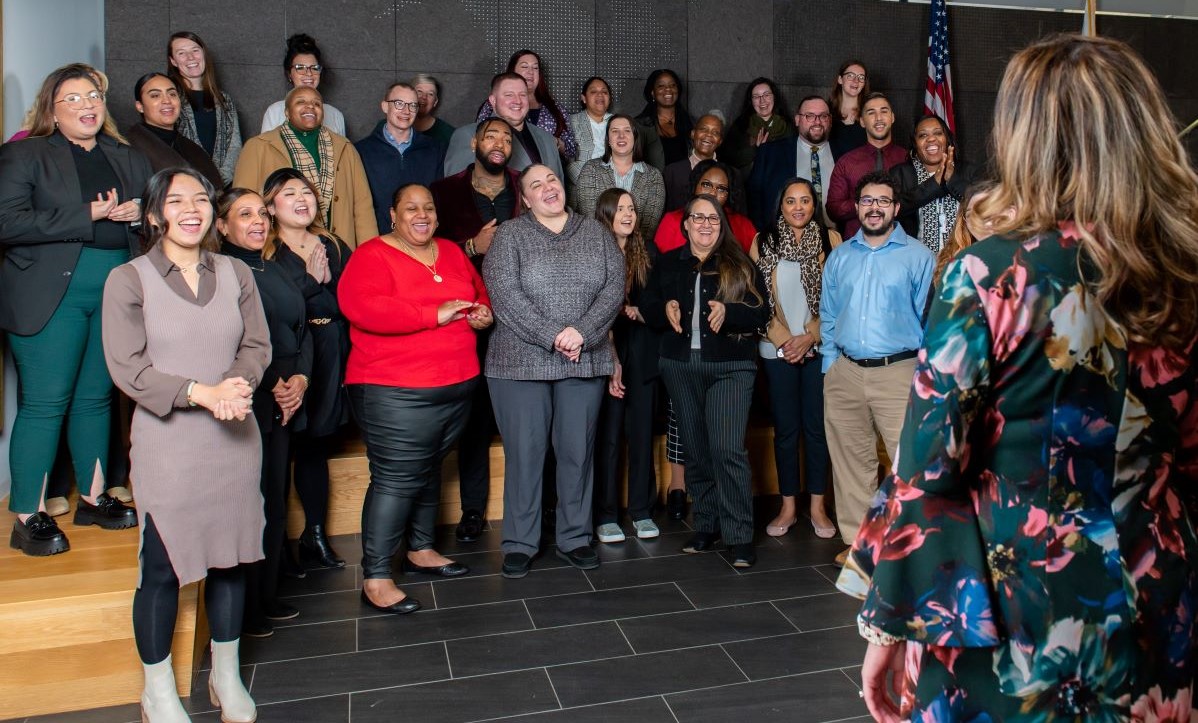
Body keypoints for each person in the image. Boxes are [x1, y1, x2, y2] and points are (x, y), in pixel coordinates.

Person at [839, 35, 1198, 722]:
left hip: (1014, 610)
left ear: (1027, 138)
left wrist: (887, 622)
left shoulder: (988, 275)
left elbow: (927, 470)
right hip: (1159, 593)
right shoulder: (1183, 270)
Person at [102, 167, 270, 723]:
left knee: (230, 560)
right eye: (176, 201)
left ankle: (225, 675)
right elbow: (129, 369)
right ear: (154, 214)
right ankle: (157, 690)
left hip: (235, 436)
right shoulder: (128, 280)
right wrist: (204, 392)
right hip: (169, 444)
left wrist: (236, 388)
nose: (191, 209)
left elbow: (256, 345)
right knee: (161, 567)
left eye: (200, 198)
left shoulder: (237, 273)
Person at [0, 63, 151, 556]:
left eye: (93, 96)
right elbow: (8, 222)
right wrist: (88, 213)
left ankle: (92, 497)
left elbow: (157, 221)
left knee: (96, 400)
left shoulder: (127, 158)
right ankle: (28, 513)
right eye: (73, 98)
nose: (87, 105)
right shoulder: (24, 155)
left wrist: (138, 217)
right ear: (52, 109)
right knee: (46, 403)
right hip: (50, 294)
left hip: (113, 289)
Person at [339, 184, 492, 613]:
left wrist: (482, 313)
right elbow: (361, 307)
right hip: (394, 390)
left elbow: (477, 293)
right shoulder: (371, 255)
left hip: (455, 386)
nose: (420, 215)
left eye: (428, 208)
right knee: (396, 477)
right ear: (393, 215)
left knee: (427, 469)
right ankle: (376, 576)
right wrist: (433, 313)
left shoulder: (451, 251)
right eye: (410, 208)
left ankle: (421, 549)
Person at [483, 164, 624, 579]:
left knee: (577, 452)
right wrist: (554, 335)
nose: (548, 189)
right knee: (526, 455)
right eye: (536, 185)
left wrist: (581, 332)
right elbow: (504, 295)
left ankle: (575, 537)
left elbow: (613, 290)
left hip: (584, 358)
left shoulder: (596, 233)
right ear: (525, 199)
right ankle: (520, 542)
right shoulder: (510, 236)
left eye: (553, 181)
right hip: (518, 363)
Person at [641, 195, 770, 567]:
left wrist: (729, 311)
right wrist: (662, 308)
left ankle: (739, 535)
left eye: (712, 218)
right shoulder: (667, 264)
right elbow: (647, 306)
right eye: (697, 217)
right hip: (680, 366)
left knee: (727, 450)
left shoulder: (739, 263)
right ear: (685, 224)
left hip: (730, 366)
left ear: (721, 224)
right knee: (696, 450)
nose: (704, 224)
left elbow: (761, 310)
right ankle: (707, 524)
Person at [819, 171, 933, 566]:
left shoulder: (918, 256)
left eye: (883, 201)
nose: (874, 208)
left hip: (898, 372)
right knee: (851, 461)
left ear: (896, 209)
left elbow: (929, 319)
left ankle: (909, 546)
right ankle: (859, 545)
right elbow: (829, 314)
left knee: (909, 462)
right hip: (845, 372)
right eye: (867, 200)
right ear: (856, 207)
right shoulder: (840, 255)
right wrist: (830, 365)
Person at [217, 188, 314, 638]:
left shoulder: (274, 267)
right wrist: (275, 380)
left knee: (274, 496)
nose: (257, 221)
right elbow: (232, 337)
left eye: (261, 213)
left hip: (285, 397)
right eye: (244, 214)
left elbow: (303, 327)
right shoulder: (222, 271)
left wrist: (302, 380)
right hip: (253, 396)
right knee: (249, 499)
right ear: (222, 225)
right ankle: (245, 607)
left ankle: (267, 594)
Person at [429, 117, 523, 542]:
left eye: (507, 136)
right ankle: (472, 509)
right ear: (474, 142)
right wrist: (472, 247)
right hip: (469, 319)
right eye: (492, 135)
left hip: (523, 321)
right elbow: (429, 251)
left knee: (525, 418)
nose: (500, 142)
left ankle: (538, 506)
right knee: (473, 422)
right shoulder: (445, 192)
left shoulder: (526, 188)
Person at [262, 168, 354, 570]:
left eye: (307, 192)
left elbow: (350, 302)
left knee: (317, 441)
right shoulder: (265, 251)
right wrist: (313, 284)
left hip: (332, 347)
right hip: (289, 355)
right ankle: (275, 544)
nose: (302, 199)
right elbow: (272, 311)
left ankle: (315, 536)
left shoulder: (333, 244)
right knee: (283, 447)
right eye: (289, 193)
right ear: (270, 206)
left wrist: (323, 287)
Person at [749, 179, 840, 539]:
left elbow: (838, 298)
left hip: (820, 347)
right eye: (791, 201)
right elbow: (756, 296)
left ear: (813, 204)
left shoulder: (831, 240)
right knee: (786, 430)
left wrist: (810, 337)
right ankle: (788, 506)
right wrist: (787, 341)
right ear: (781, 205)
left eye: (805, 200)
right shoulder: (764, 240)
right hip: (777, 350)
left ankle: (817, 506)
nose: (798, 207)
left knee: (816, 429)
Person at [593, 188, 660, 544]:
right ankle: (605, 515)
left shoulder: (647, 250)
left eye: (632, 208)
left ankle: (642, 510)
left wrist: (641, 310)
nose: (628, 214)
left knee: (640, 433)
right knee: (609, 435)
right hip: (604, 349)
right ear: (606, 213)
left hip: (642, 348)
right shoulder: (592, 250)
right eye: (620, 208)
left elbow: (658, 297)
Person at [234, 86, 378, 247]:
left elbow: (362, 207)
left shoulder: (345, 147)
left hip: (337, 248)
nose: (310, 106)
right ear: (287, 112)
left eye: (317, 104)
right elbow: (242, 205)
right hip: (279, 250)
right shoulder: (258, 147)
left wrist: (370, 252)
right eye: (301, 102)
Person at [355, 81, 446, 234]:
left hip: (422, 239)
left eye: (412, 105)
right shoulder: (361, 150)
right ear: (385, 106)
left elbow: (439, 199)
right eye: (399, 103)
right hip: (379, 240)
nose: (406, 111)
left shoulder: (435, 149)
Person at [444, 73, 563, 179]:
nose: (517, 101)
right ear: (493, 100)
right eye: (509, 95)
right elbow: (457, 188)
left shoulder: (547, 138)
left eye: (522, 95)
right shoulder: (468, 135)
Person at [891, 115, 981, 254]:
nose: (931, 139)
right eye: (923, 135)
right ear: (915, 143)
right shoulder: (901, 173)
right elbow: (893, 210)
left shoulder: (969, 171)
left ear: (947, 139)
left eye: (938, 133)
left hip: (963, 260)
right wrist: (934, 184)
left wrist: (952, 180)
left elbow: (984, 208)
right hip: (915, 262)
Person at [826, 93, 907, 238]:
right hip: (856, 248)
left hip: (902, 248)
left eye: (884, 111)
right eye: (871, 113)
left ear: (892, 117)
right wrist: (866, 201)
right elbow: (833, 209)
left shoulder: (907, 159)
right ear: (862, 121)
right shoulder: (847, 162)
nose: (879, 118)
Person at [748, 95, 835, 231]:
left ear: (829, 120)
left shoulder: (845, 153)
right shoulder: (770, 153)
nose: (817, 122)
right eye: (809, 116)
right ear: (797, 120)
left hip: (836, 240)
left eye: (823, 116)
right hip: (783, 241)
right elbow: (754, 199)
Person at [124, 72, 223, 190]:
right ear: (140, 106)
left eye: (172, 94)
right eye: (155, 95)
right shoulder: (128, 147)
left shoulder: (194, 149)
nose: (167, 100)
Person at [573, 114, 666, 239]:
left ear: (635, 137)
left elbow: (648, 227)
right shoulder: (590, 170)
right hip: (598, 247)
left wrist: (629, 249)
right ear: (608, 140)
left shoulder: (653, 176)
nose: (621, 136)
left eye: (627, 131)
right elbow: (590, 220)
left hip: (638, 250)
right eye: (615, 131)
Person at [475, 50, 577, 162]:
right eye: (524, 67)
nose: (530, 72)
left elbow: (572, 150)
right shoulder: (494, 104)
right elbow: (480, 139)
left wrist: (555, 143)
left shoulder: (555, 108)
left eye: (535, 68)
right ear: (513, 70)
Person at [168, 31, 241, 186]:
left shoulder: (224, 100)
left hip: (222, 188)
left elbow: (234, 147)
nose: (190, 57)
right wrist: (198, 183)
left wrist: (217, 181)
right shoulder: (170, 100)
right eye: (181, 53)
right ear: (173, 61)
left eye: (195, 50)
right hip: (184, 186)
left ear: (203, 54)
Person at [655, 160, 756, 253]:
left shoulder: (743, 225)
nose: (713, 193)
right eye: (706, 185)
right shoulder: (672, 221)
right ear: (695, 186)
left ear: (728, 195)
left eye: (721, 189)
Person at [260, 33, 346, 136]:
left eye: (314, 68)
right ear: (289, 74)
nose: (309, 73)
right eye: (300, 67)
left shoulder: (335, 115)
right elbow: (264, 150)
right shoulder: (274, 112)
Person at [662, 112, 747, 214]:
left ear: (720, 141)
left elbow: (739, 218)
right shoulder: (672, 172)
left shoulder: (733, 174)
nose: (709, 135)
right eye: (703, 129)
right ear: (693, 134)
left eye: (715, 132)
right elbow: (665, 214)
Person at [722, 78, 793, 174]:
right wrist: (755, 149)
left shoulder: (788, 126)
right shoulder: (741, 124)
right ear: (751, 101)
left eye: (766, 95)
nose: (762, 100)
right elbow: (727, 158)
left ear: (774, 97)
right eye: (756, 97)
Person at [634, 69, 692, 171]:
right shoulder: (640, 125)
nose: (668, 89)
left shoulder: (691, 123)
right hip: (653, 184)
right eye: (661, 86)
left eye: (673, 85)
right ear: (652, 93)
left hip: (684, 185)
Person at [566, 76, 613, 184]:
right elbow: (568, 163)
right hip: (583, 183)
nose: (600, 95)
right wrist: (588, 183)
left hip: (615, 184)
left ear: (609, 98)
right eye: (593, 92)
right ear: (584, 98)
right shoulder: (571, 122)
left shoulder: (619, 122)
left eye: (604, 92)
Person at [828, 60, 869, 159]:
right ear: (840, 79)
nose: (856, 81)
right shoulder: (826, 111)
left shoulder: (869, 113)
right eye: (850, 76)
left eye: (861, 77)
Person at [411, 73, 456, 148]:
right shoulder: (389, 127)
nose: (424, 97)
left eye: (430, 94)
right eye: (419, 91)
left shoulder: (449, 134)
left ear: (435, 102)